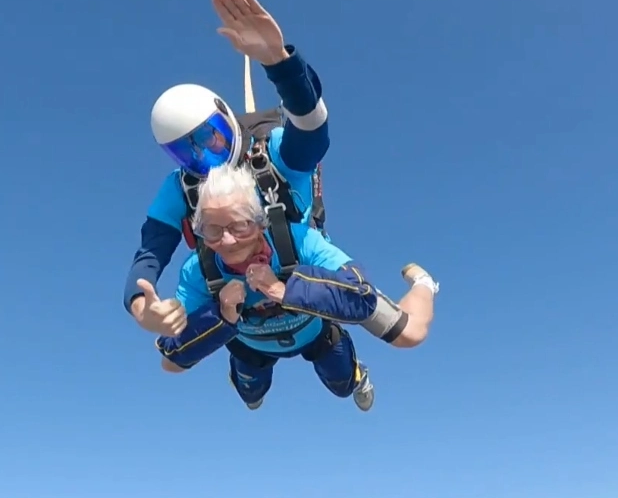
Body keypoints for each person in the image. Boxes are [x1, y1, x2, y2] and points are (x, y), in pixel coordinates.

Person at [145, 164, 440, 411]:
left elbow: (361, 295)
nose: (227, 241)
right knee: (252, 394)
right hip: (251, 346)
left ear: (261, 223)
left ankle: (424, 284)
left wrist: (285, 290)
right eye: (211, 230)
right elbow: (171, 363)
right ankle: (247, 381)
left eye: (240, 225)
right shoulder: (198, 270)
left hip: (314, 333)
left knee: (396, 345)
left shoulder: (298, 240)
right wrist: (220, 316)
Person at [124, 0, 331, 338]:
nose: (203, 156)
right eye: (185, 150)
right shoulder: (182, 186)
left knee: (336, 355)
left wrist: (280, 64)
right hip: (240, 308)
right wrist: (142, 306)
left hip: (299, 289)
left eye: (209, 135)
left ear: (225, 117)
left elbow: (312, 131)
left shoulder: (272, 153)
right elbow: (150, 251)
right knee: (245, 363)